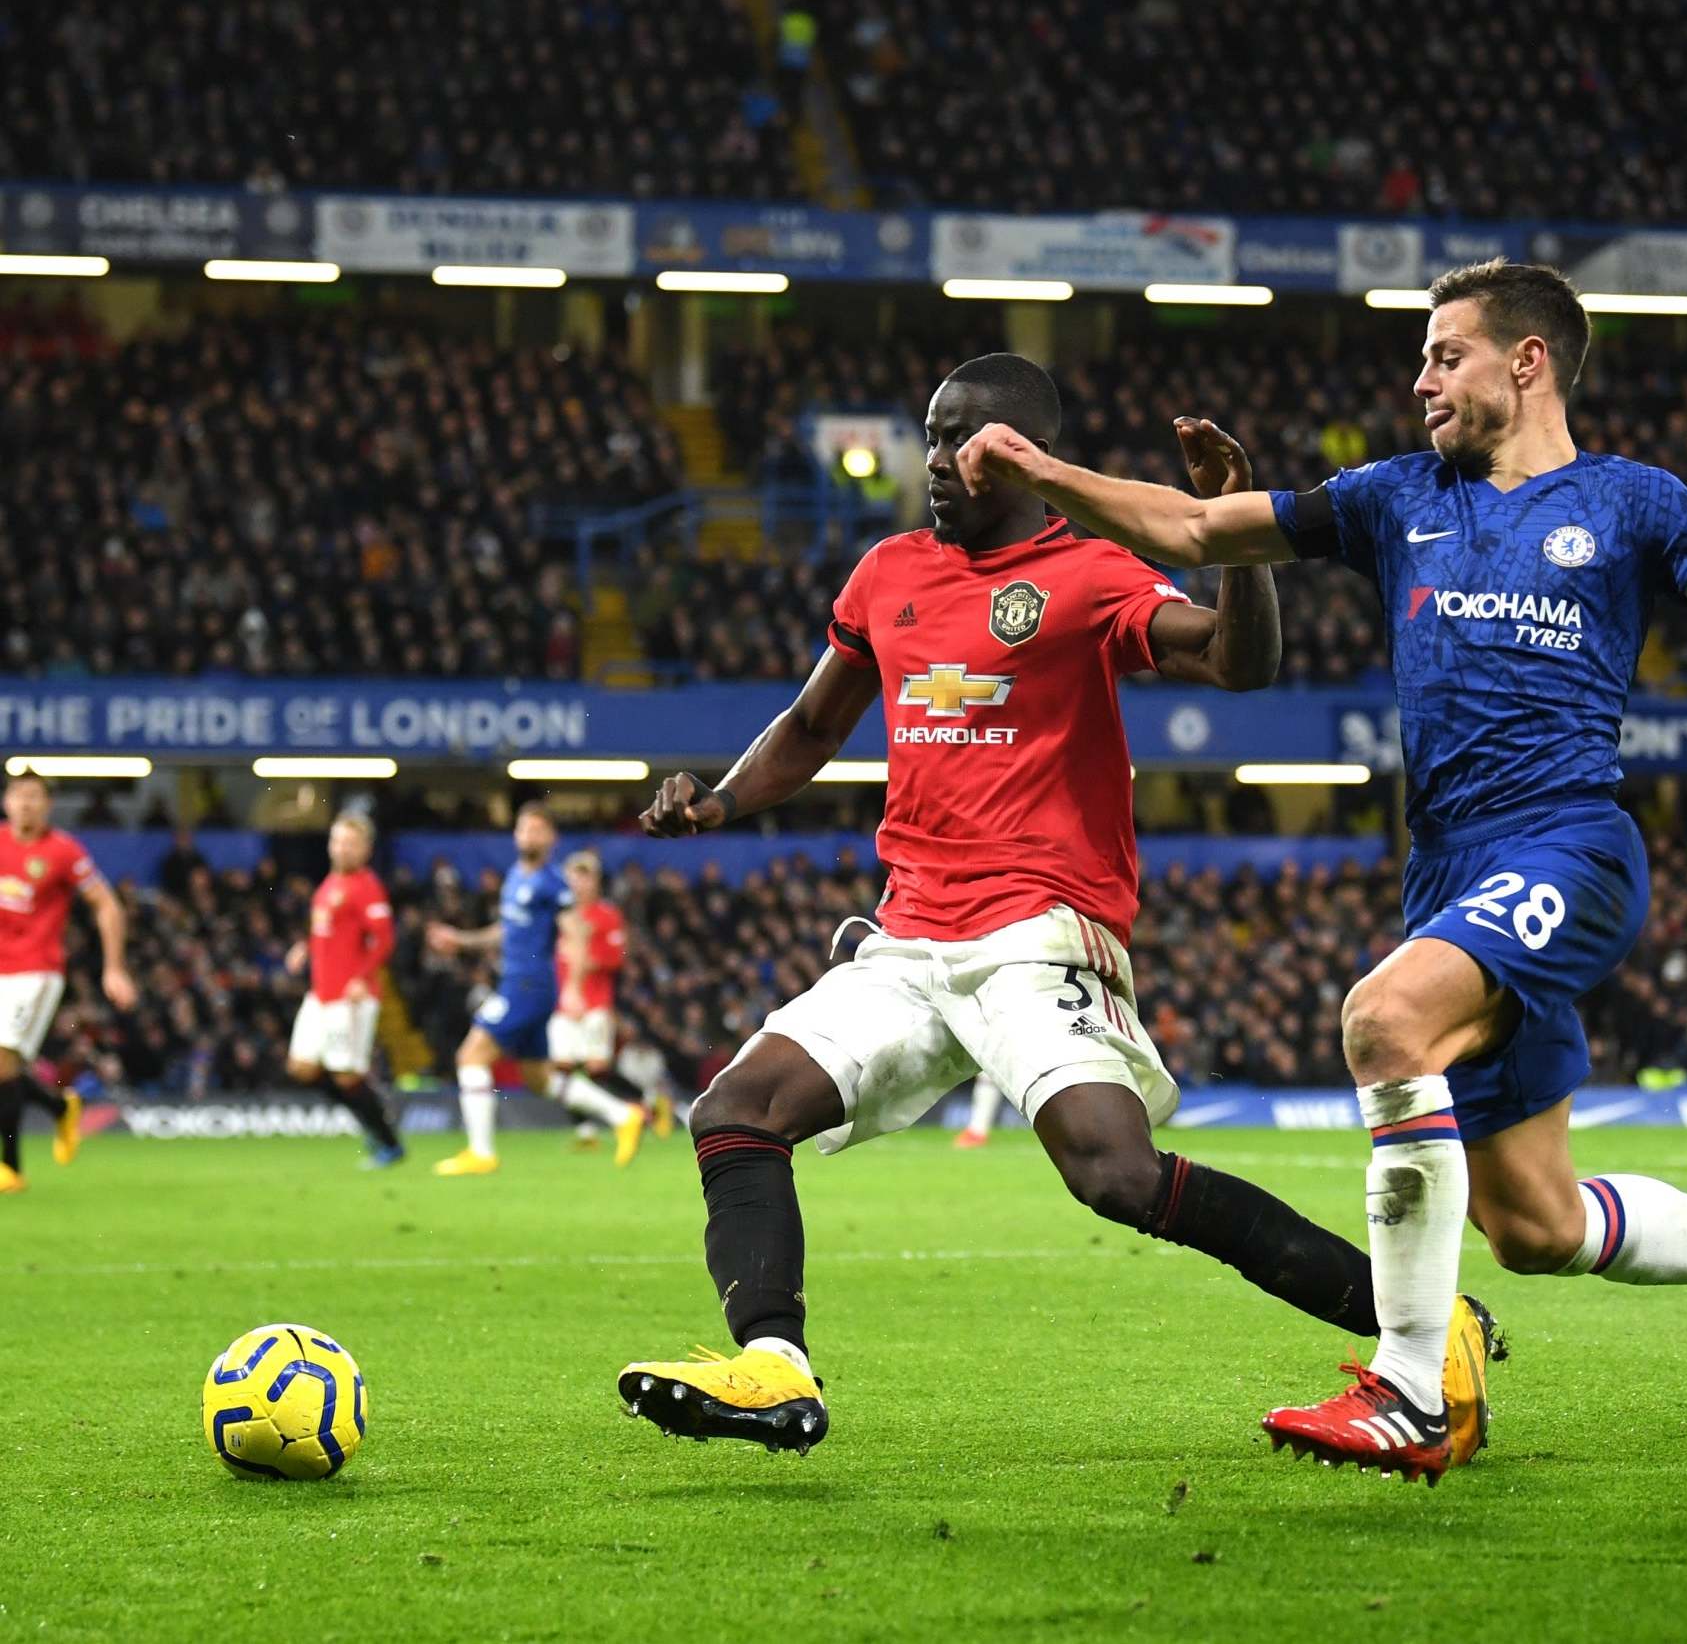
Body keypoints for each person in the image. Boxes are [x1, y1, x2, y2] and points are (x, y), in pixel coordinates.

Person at [958, 259, 1687, 1483]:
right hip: (1449, 870)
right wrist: (1043, 474)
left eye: (1444, 354)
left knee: (1385, 1017)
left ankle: (1411, 1389)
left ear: (1527, 360)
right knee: (1538, 1227)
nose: (1420, 381)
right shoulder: (1391, 497)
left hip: (1567, 840)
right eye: (1418, 359)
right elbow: (1192, 527)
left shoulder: (1636, 503)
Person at [617, 353, 1500, 1469]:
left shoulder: (1088, 572)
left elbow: (1240, 665)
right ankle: (774, 1368)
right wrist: (720, 797)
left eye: (966, 440)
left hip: (1039, 930)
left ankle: (1425, 1329)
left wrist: (1237, 544)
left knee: (1115, 1176)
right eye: (931, 436)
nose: (938, 460)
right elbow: (808, 725)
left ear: (1028, 457)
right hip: (908, 939)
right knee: (734, 1110)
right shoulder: (887, 572)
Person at [425, 803, 618, 1176]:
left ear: (550, 838)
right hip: (517, 981)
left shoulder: (551, 881)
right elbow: (505, 930)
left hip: (528, 984)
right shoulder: (515, 875)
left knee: (470, 1057)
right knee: (539, 1078)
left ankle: (481, 1152)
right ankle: (623, 1114)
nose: (528, 836)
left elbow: (576, 932)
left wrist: (574, 987)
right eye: (522, 829)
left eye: (536, 830)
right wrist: (461, 940)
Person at [0, 772, 136, 1193]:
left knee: (2, 1062)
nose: (26, 805)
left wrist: (114, 967)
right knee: (4, 1070)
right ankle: (59, 1108)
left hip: (36, 970)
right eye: (19, 796)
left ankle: (10, 1169)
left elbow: (106, 905)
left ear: (47, 806)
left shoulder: (63, 851)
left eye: (34, 797)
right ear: (6, 801)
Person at [282, 812, 404, 1167]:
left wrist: (361, 978)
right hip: (321, 994)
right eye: (337, 841)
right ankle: (373, 1118)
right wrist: (304, 946)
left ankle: (388, 1141)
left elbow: (383, 940)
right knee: (301, 1068)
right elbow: (329, 930)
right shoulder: (330, 884)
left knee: (347, 1074)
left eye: (351, 843)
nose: (342, 849)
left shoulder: (366, 886)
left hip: (351, 997)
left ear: (366, 849)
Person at [538, 850, 648, 1165]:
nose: (579, 882)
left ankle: (644, 1103)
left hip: (596, 1001)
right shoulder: (559, 916)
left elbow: (616, 958)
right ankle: (587, 1131)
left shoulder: (606, 915)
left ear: (596, 881)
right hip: (563, 1004)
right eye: (574, 875)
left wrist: (587, 961)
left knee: (596, 1068)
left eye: (585, 876)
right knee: (562, 1069)